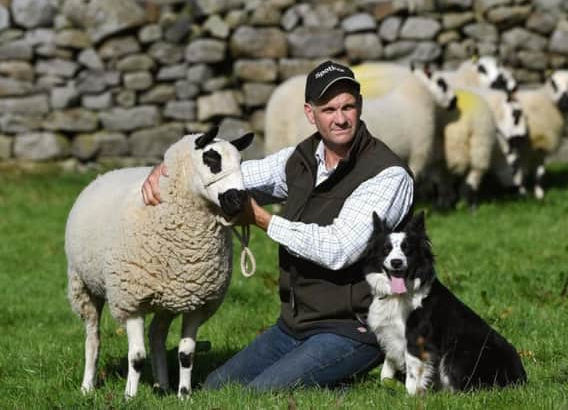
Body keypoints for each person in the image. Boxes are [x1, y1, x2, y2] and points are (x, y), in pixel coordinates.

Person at [141, 60, 414, 390]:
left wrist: (262, 219)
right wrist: (169, 169)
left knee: (258, 396)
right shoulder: (301, 159)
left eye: (348, 107)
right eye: (328, 109)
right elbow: (231, 177)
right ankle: (328, 381)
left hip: (354, 328)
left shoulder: (386, 174)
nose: (340, 118)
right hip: (295, 324)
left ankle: (345, 380)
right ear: (310, 113)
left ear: (360, 106)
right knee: (217, 388)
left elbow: (340, 248)